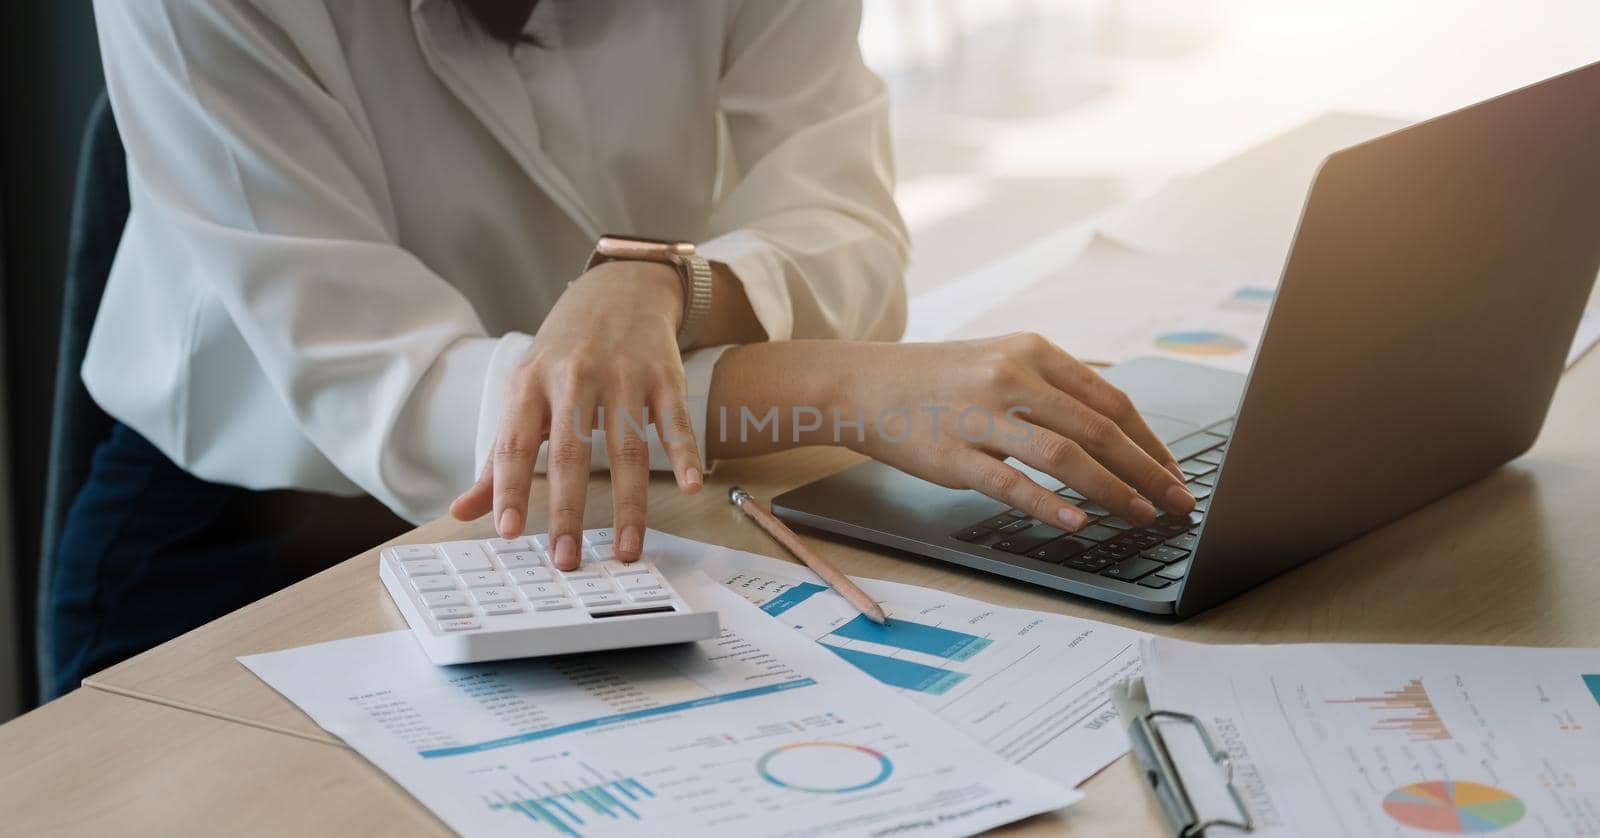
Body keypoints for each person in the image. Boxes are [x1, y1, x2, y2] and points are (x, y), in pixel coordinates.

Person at [47, 0, 1191, 699]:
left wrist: (659, 278)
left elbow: (845, 220)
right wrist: (837, 389)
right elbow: (399, 398)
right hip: (255, 539)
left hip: (640, 515)